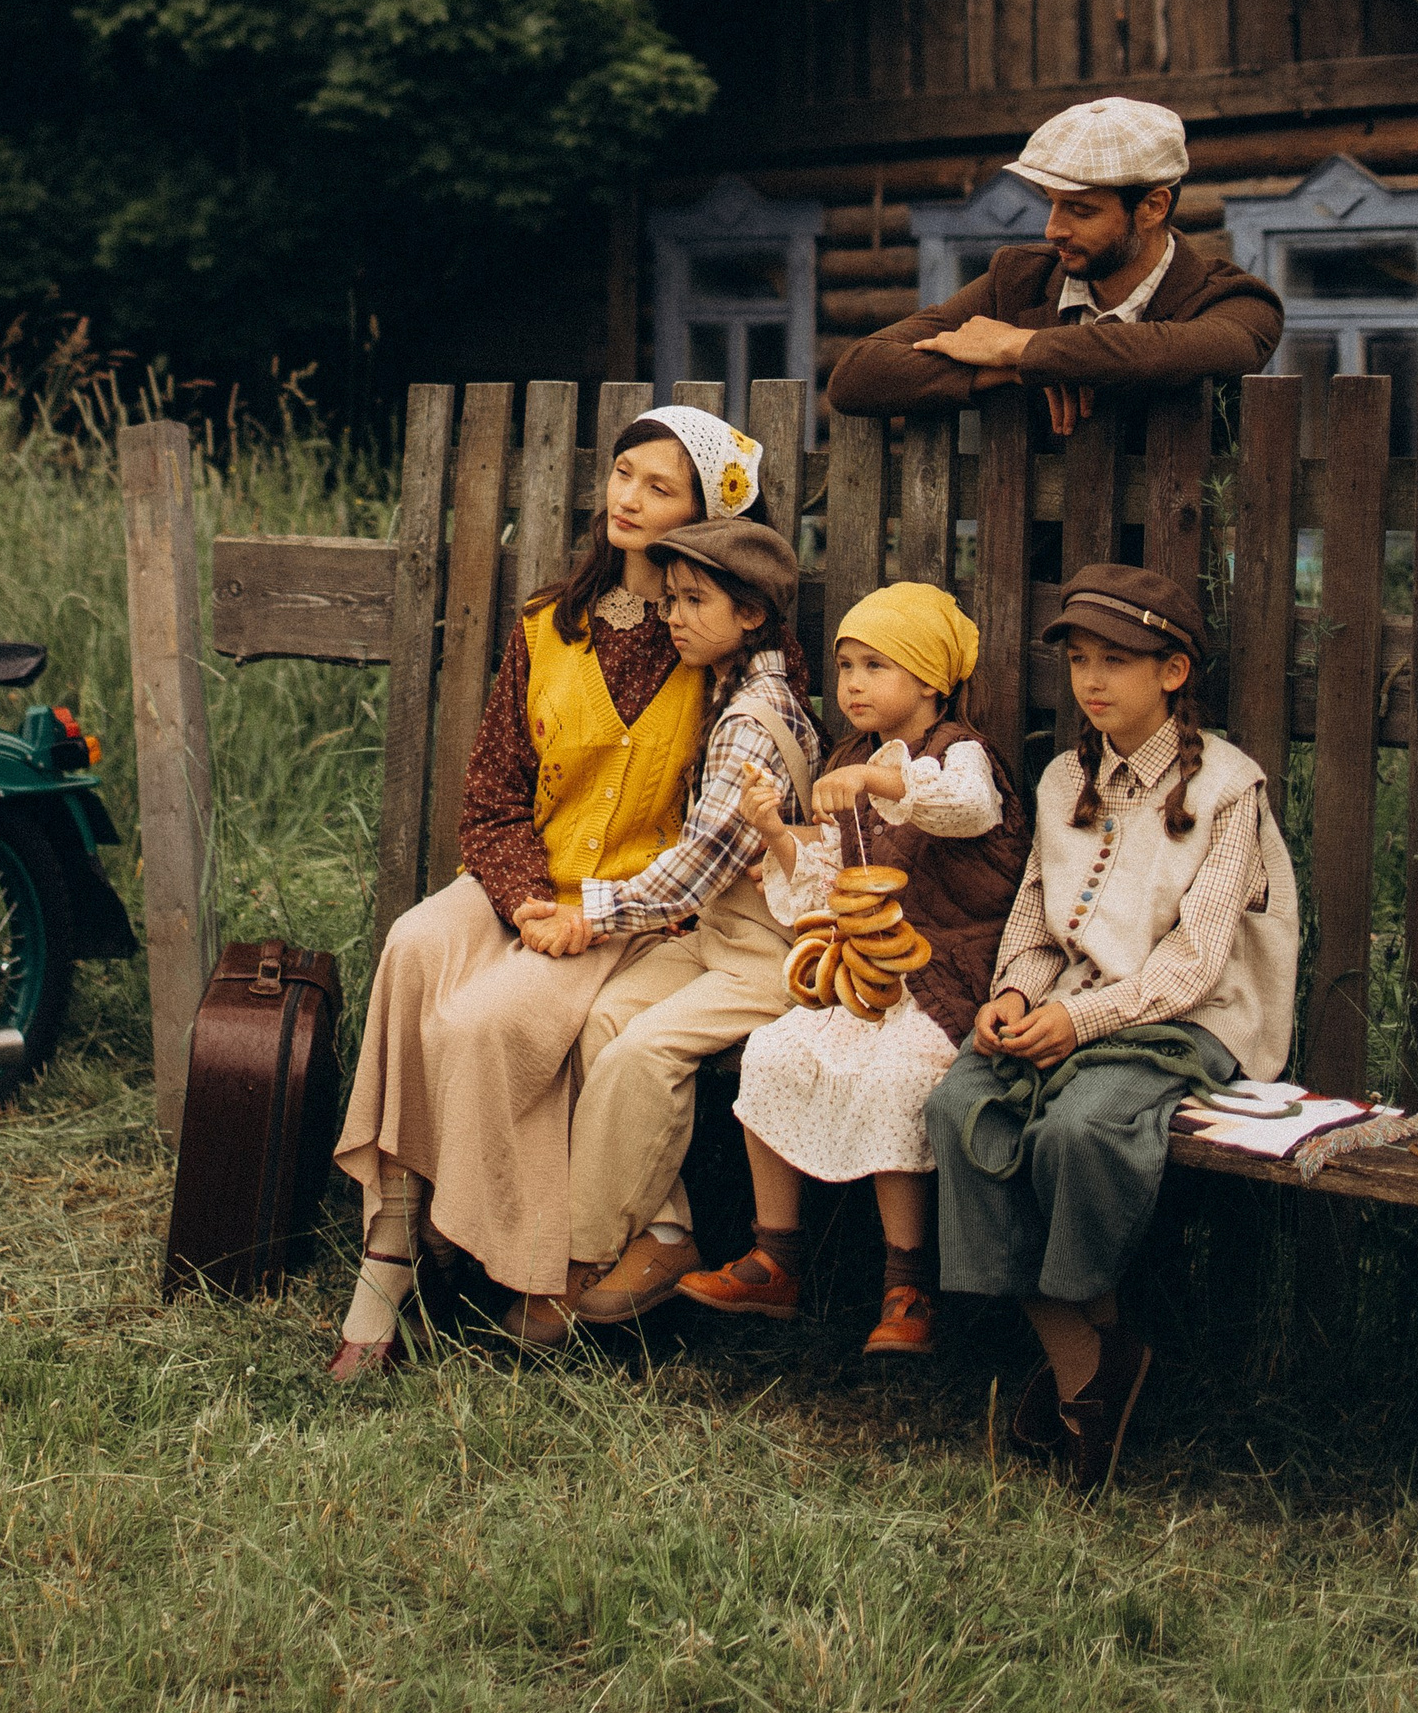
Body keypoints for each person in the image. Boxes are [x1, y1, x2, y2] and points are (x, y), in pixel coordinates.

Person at [327, 401, 765, 1379]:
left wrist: (580, 918)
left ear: (699, 513)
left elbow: (717, 840)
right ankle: (392, 1247)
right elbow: (487, 802)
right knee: (410, 945)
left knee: (487, 1020)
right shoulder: (546, 625)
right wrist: (526, 900)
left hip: (637, 913)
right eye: (622, 475)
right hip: (525, 881)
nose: (629, 497)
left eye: (659, 486)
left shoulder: (719, 652)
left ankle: (482, 1263)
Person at [924, 563, 1301, 1492]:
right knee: (958, 1102)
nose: (1092, 680)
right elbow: (1036, 913)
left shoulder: (1226, 787)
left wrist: (1077, 1017)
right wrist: (1015, 994)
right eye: (1081, 660)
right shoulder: (1065, 778)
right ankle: (1088, 1360)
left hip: (1190, 1020)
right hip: (1072, 1006)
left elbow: (1195, 960)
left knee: (1080, 1128)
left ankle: (1072, 1372)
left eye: (1118, 661)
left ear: (1173, 672)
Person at [679, 585, 1027, 1357]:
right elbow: (824, 884)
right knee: (776, 1053)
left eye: (876, 665)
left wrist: (879, 782)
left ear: (931, 681)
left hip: (946, 976)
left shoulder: (960, 754)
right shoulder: (849, 761)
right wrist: (774, 828)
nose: (854, 684)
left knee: (899, 1077)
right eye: (844, 666)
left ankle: (909, 1282)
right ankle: (778, 1254)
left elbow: (964, 808)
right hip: (867, 975)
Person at [507, 515, 818, 1330]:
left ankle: (578, 1255)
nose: (672, 615)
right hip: (720, 938)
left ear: (750, 613)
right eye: (670, 596)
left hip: (773, 955)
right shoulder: (728, 684)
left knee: (645, 1050)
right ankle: (663, 1228)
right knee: (602, 1016)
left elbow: (699, 866)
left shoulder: (755, 716)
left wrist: (588, 916)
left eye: (693, 600)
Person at [825, 99, 1282, 436]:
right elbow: (857, 375)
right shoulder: (1021, 280)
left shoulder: (1232, 299)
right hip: (1025, 556)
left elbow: (1192, 348)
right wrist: (1012, 367)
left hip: (1171, 556)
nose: (1052, 230)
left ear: (1152, 206)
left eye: (1080, 211)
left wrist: (1020, 344)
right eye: (1052, 205)